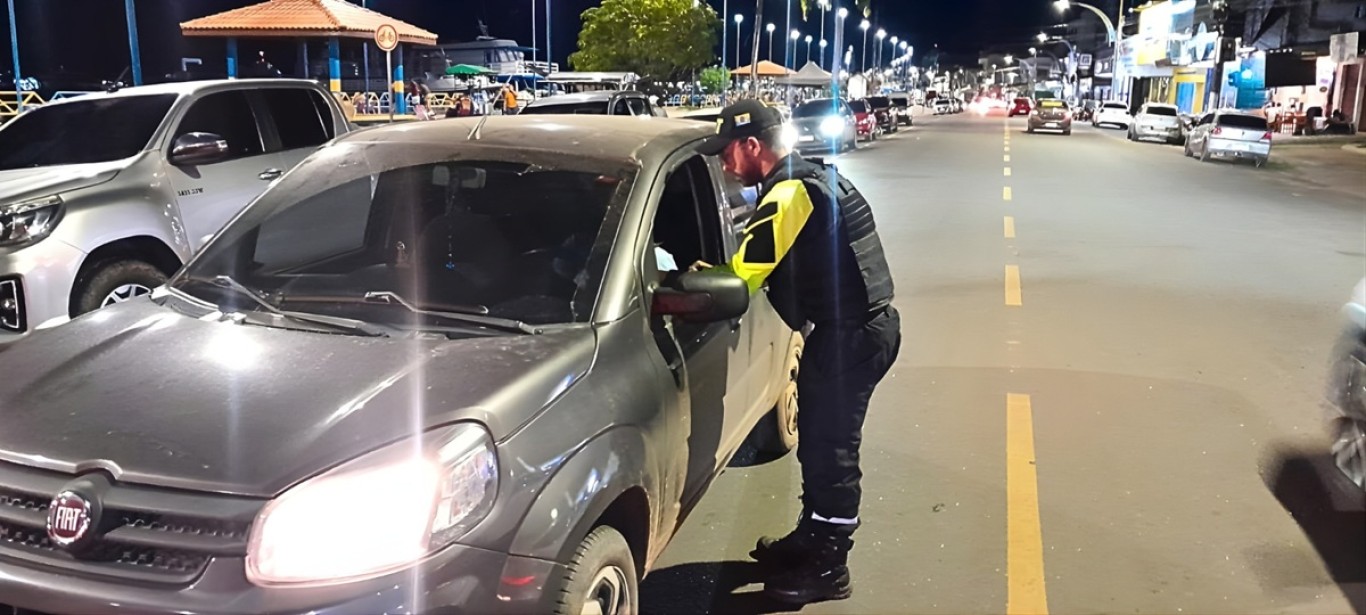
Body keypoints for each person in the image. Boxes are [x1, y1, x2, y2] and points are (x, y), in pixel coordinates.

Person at [695, 100, 901, 604]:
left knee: (831, 451)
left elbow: (744, 276)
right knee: (818, 442)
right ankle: (812, 537)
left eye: (726, 151)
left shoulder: (789, 192)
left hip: (850, 334)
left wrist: (691, 283)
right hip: (858, 328)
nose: (723, 163)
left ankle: (829, 567)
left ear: (751, 145)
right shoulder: (818, 176)